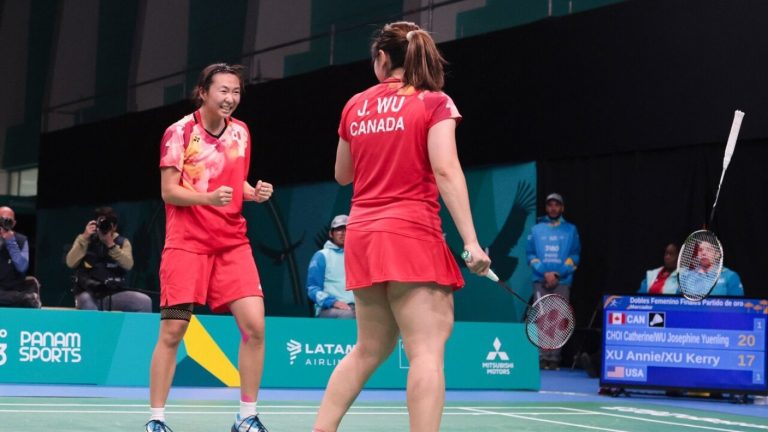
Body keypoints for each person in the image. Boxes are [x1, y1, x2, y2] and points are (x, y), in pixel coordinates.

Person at [312, 22, 491, 432]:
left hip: (364, 235)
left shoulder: (355, 104)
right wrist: (471, 242)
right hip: (411, 233)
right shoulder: (434, 102)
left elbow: (343, 174)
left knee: (368, 349)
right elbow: (446, 169)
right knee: (426, 352)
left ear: (381, 58)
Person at [145, 63, 274, 432]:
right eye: (223, 91)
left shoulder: (242, 133)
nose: (230, 98)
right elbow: (169, 191)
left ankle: (246, 416)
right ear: (203, 92)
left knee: (254, 327)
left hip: (232, 243)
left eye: (236, 92)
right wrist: (208, 198)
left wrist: (254, 193)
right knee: (173, 332)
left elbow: (233, 183)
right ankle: (157, 419)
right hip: (186, 244)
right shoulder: (179, 132)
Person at [525, 192, 581, 370]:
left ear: (562, 208)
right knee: (541, 318)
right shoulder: (536, 230)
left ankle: (554, 358)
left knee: (559, 319)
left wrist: (558, 274)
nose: (553, 208)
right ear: (546, 207)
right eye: (550, 205)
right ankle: (541, 358)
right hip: (540, 281)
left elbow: (575, 256)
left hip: (562, 281)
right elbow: (530, 255)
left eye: (557, 205)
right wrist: (544, 272)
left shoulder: (570, 230)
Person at [65, 207, 152, 312]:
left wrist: (110, 244)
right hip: (88, 292)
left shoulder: (122, 242)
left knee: (144, 302)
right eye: (100, 224)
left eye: (107, 225)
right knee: (86, 300)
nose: (103, 227)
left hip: (113, 293)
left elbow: (128, 264)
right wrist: (84, 238)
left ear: (114, 227)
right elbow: (70, 263)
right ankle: (97, 329)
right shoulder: (85, 240)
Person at [307, 214, 355, 318]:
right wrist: (333, 302)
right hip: (329, 308)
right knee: (348, 315)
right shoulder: (321, 256)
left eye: (346, 230)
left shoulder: (359, 256)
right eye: (338, 230)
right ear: (331, 233)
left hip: (357, 308)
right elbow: (312, 289)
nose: (343, 233)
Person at [0, 206, 40, 308]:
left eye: (7, 221)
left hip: (12, 289)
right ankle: (25, 299)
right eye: (1, 219)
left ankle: (25, 299)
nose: (3, 223)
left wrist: (11, 242)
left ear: (13, 223)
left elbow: (22, 267)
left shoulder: (21, 240)